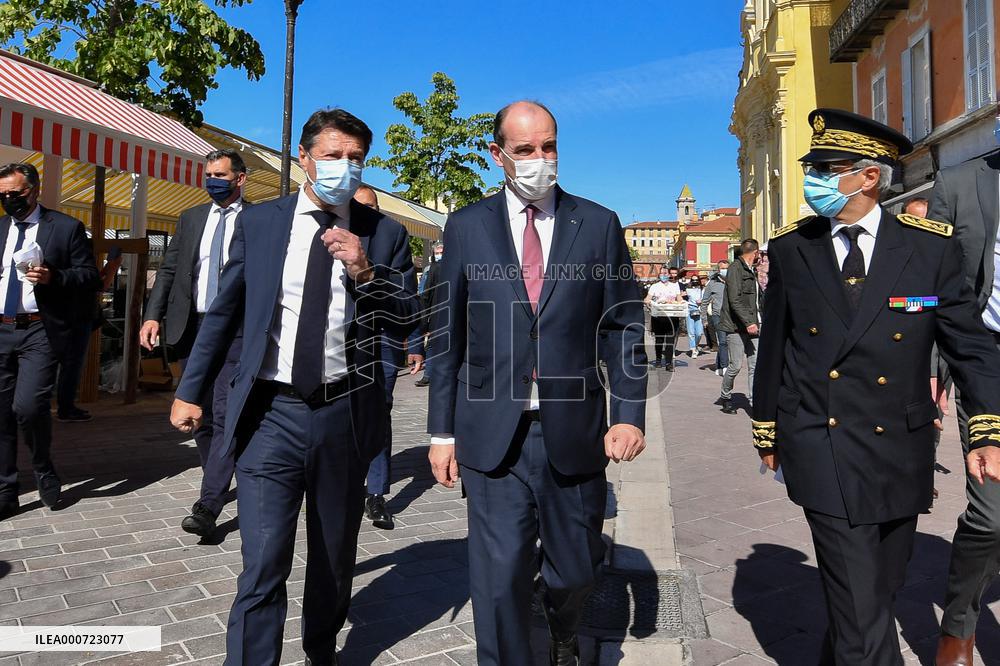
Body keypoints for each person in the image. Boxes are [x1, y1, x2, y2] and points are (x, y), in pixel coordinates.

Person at [169, 109, 419, 666]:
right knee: (263, 561)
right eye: (333, 156)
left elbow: (407, 317)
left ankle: (320, 649)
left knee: (332, 558)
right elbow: (225, 312)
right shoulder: (261, 223)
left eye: (356, 159)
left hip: (343, 415)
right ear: (304, 158)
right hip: (269, 413)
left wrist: (366, 271)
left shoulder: (386, 233)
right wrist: (191, 388)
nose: (344, 167)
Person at [752, 108, 1000, 666]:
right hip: (821, 439)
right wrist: (767, 427)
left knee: (876, 591)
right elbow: (775, 349)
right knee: (863, 614)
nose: (813, 180)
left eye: (825, 170)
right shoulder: (793, 248)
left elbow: (969, 344)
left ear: (868, 177)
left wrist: (987, 430)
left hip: (899, 446)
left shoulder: (929, 246)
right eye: (812, 169)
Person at [427, 100, 647, 666]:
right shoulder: (466, 226)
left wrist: (627, 415)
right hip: (491, 435)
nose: (539, 159)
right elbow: (447, 334)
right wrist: (441, 433)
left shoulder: (596, 224)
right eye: (524, 150)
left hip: (571, 431)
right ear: (497, 154)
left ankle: (563, 625)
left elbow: (622, 326)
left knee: (575, 572)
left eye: (548, 146)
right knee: (498, 582)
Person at [140, 148, 249, 538]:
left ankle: (209, 503)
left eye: (220, 175)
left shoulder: (257, 219)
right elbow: (169, 270)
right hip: (193, 326)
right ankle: (217, 474)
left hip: (236, 329)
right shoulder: (190, 218)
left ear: (240, 178)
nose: (212, 181)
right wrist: (152, 315)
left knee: (224, 410)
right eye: (209, 175)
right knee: (197, 411)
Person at [928, 151, 1000, 665]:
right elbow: (929, 287)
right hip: (985, 363)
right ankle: (958, 628)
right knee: (992, 513)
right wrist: (930, 368)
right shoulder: (957, 184)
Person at [0, 163, 99, 520]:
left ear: (34, 189)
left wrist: (54, 276)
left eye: (15, 193)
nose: (9, 200)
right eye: (2, 195)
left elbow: (89, 276)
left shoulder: (66, 227)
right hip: (1, 328)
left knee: (28, 406)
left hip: (40, 329)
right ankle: (6, 490)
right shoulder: (0, 228)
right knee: (1, 413)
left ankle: (42, 466)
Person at [353, 184, 424, 530]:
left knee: (378, 412)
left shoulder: (391, 236)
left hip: (383, 340)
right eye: (360, 206)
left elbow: (407, 297)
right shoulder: (329, 232)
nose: (368, 212)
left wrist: (415, 344)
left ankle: (376, 493)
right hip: (339, 342)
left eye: (373, 206)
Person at [55, 247, 122, 423]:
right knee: (72, 364)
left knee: (67, 364)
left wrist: (109, 267)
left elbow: (95, 281)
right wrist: (112, 266)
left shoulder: (66, 263)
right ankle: (65, 407)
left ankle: (63, 406)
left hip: (69, 316)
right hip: (78, 317)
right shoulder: (79, 263)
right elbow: (100, 285)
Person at [718, 239, 761, 414]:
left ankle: (754, 402)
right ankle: (726, 396)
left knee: (755, 365)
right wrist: (748, 322)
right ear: (755, 252)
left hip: (753, 325)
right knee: (735, 366)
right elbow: (734, 299)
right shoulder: (735, 268)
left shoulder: (752, 270)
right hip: (736, 326)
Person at [413, 241, 443, 388]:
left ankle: (429, 375)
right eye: (437, 253)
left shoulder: (434, 268)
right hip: (440, 314)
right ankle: (430, 374)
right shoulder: (433, 269)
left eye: (441, 252)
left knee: (433, 345)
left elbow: (426, 295)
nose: (439, 255)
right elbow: (426, 294)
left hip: (438, 314)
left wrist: (424, 321)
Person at [644, 265, 684, 370]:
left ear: (669, 274)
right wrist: (650, 303)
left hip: (672, 316)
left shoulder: (674, 286)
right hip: (658, 317)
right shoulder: (654, 286)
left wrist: (681, 303)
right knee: (659, 340)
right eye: (661, 273)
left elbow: (679, 298)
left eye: (665, 273)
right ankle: (658, 359)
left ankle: (668, 363)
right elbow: (647, 299)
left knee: (670, 341)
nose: (663, 275)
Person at [703, 260, 730, 375]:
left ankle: (719, 365)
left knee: (728, 341)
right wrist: (704, 319)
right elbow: (704, 301)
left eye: (727, 268)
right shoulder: (712, 283)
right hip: (717, 315)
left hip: (731, 316)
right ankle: (725, 366)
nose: (725, 270)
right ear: (718, 270)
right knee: (723, 341)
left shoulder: (733, 281)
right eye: (722, 268)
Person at [685, 275, 705, 357]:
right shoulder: (687, 289)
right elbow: (681, 298)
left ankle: (696, 345)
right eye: (693, 280)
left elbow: (707, 298)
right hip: (689, 310)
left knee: (699, 333)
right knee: (691, 332)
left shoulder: (702, 289)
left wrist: (702, 301)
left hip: (699, 310)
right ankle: (693, 349)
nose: (695, 281)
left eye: (696, 280)